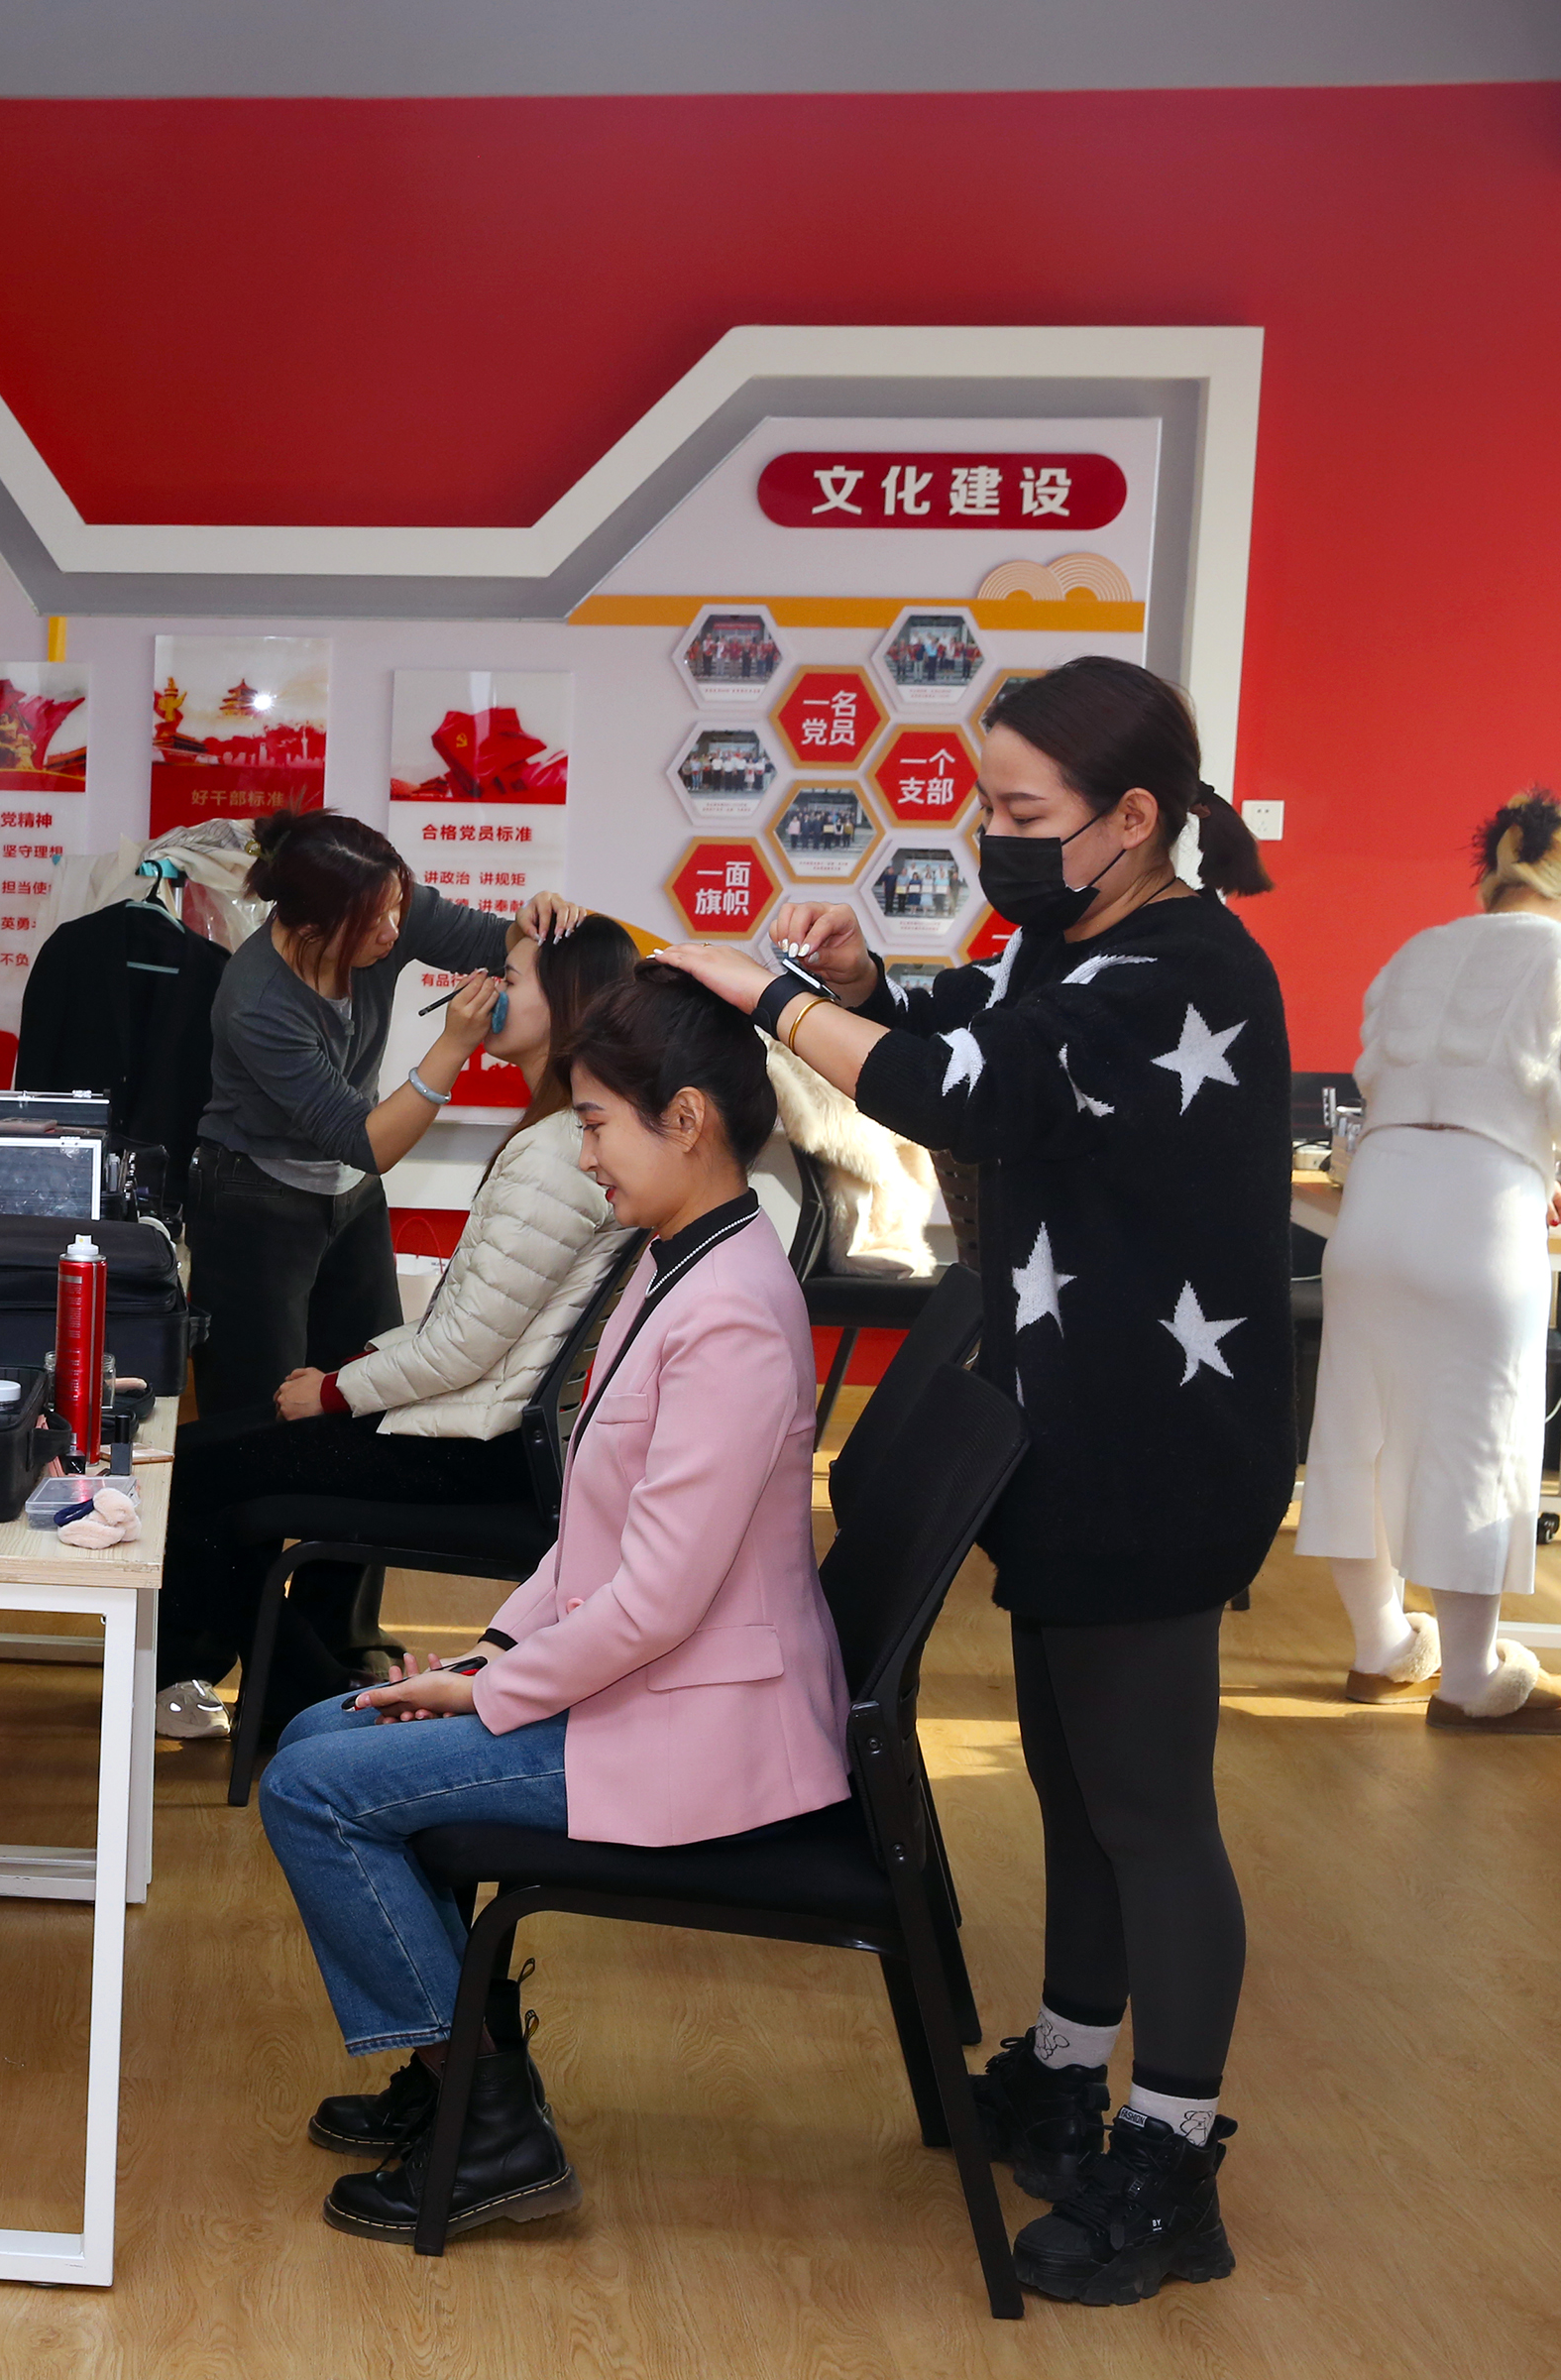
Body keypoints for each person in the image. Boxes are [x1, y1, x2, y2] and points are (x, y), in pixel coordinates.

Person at [652, 654, 1285, 2308]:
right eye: (986, 802)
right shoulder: (1073, 938)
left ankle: (1172, 2154)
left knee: (1151, 1806)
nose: (995, 836)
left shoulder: (1185, 967)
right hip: (1058, 1423)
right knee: (1075, 1785)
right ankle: (1067, 2069)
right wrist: (867, 977)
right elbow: (980, 1028)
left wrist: (773, 1000)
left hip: (1155, 1450)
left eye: (1021, 810)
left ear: (1132, 818)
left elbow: (977, 1092)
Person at [255, 962, 837, 2244]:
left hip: (688, 1726)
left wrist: (489, 1694)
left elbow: (660, 1600)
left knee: (311, 1786)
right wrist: (492, 1651)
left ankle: (491, 2117)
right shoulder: (678, 1261)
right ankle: (456, 2077)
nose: (583, 1155)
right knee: (315, 1733)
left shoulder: (732, 1311)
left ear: (686, 1120)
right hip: (641, 1689)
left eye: (595, 1124)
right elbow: (596, 1538)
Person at [153, 916, 641, 1741]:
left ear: (567, 1004)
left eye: (511, 980)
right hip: (474, 1431)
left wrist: (333, 1391)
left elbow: (465, 1346)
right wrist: (349, 1379)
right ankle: (297, 1692)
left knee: (189, 1477)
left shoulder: (556, 1154)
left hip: (468, 1450)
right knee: (210, 1476)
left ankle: (315, 1699)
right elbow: (469, 1334)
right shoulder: (569, 1135)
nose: (487, 990)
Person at [1300, 791, 1561, 1730]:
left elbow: (1376, 1077)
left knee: (1358, 1430)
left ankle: (1381, 1648)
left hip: (1375, 1207)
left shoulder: (1421, 950)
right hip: (1484, 1215)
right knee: (1474, 1440)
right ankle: (1470, 1676)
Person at [187, 808, 583, 1422]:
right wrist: (452, 1046)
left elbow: (500, 942)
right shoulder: (257, 1000)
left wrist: (533, 923)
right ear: (313, 927)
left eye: (399, 906)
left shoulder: (385, 907)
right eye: (374, 922)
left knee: (360, 1378)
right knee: (259, 1412)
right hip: (254, 1199)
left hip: (350, 1192)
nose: (394, 931)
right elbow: (365, 1143)